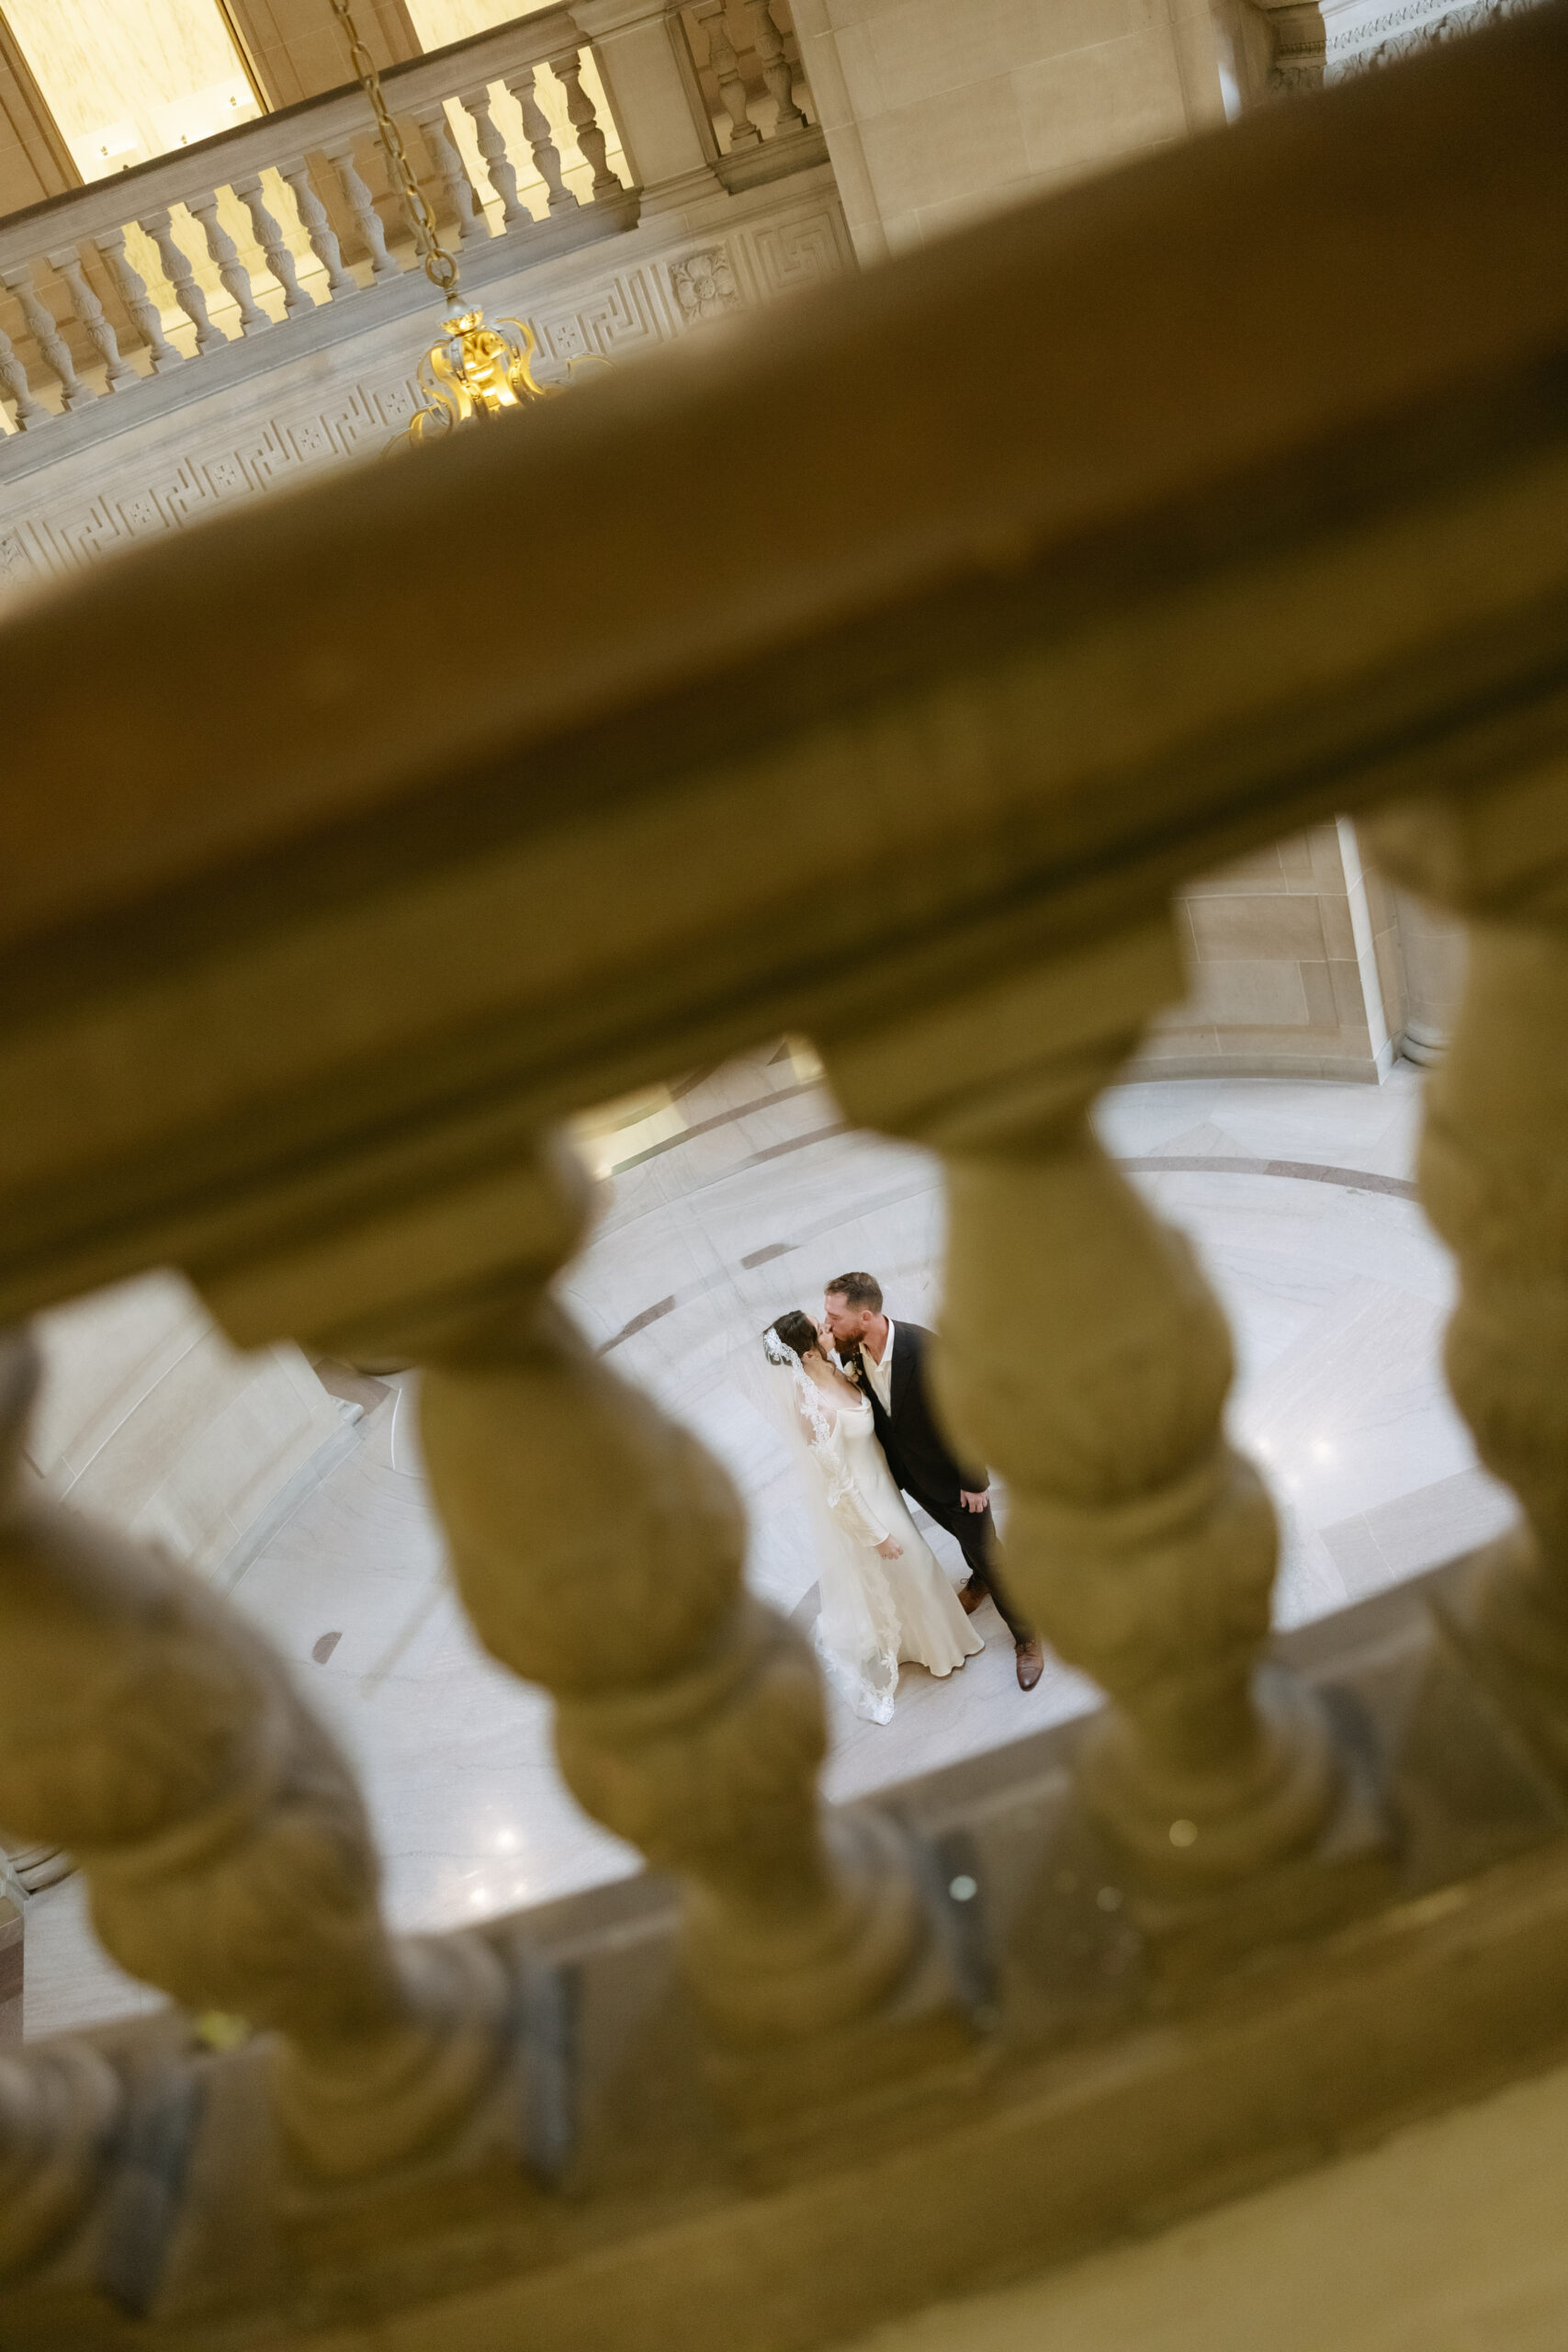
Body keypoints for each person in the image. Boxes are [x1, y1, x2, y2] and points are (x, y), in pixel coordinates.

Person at [822, 1272, 1044, 1692]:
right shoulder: (858, 1353)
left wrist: (974, 1482)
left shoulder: (925, 1351)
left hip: (957, 1480)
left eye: (834, 1317)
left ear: (865, 1316)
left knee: (990, 1553)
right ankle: (978, 1580)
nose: (827, 1324)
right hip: (915, 1477)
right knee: (963, 1539)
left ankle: (1027, 1637)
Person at [762, 1310, 981, 1724]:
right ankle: (939, 1651)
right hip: (867, 1501)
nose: (830, 1329)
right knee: (915, 1566)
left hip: (885, 1487)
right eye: (823, 1329)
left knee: (913, 1570)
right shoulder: (813, 1409)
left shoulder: (840, 1369)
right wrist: (875, 1534)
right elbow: (837, 1484)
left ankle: (927, 1640)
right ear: (807, 1354)